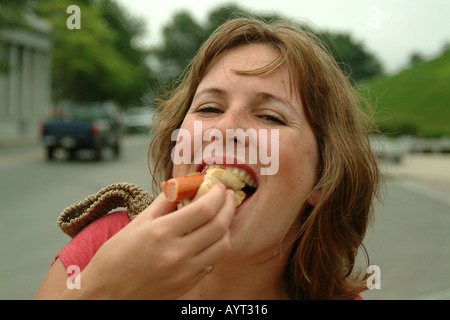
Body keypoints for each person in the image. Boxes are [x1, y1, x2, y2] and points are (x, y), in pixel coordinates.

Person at [35, 17, 380, 300]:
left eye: (270, 117)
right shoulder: (104, 248)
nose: (226, 128)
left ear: (322, 177)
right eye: (209, 108)